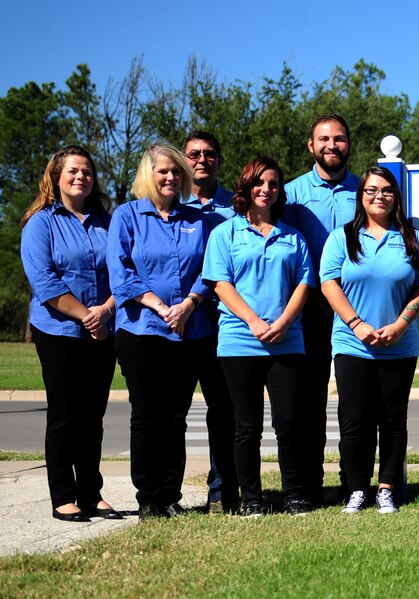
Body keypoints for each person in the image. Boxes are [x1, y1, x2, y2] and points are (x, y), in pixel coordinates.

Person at [320, 166, 419, 515]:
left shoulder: (412, 238)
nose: (379, 196)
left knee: (392, 420)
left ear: (395, 197)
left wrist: (401, 325)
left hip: (399, 345)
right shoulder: (342, 237)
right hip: (352, 343)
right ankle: (357, 489)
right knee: (354, 420)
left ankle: (386, 490)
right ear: (361, 196)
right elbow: (329, 284)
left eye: (386, 190)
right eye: (371, 190)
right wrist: (356, 324)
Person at [203, 156, 315, 517]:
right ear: (246, 186)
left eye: (273, 184)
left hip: (287, 340)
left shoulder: (293, 236)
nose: (266, 189)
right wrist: (253, 321)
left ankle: (294, 495)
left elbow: (303, 284)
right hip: (240, 341)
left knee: (289, 422)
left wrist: (283, 322)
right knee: (246, 426)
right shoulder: (225, 233)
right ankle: (251, 498)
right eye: (259, 183)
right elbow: (221, 284)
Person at [107, 143, 214, 521]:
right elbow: (120, 272)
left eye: (176, 171)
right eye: (163, 171)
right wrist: (159, 305)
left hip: (189, 331)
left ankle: (170, 495)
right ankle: (148, 498)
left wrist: (189, 304)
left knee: (175, 417)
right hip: (141, 332)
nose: (170, 177)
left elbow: (210, 268)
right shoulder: (127, 216)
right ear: (148, 175)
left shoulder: (198, 219)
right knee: (147, 415)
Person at [20, 146, 121, 522]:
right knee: (64, 414)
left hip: (103, 330)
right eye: (73, 171)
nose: (81, 177)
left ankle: (91, 493)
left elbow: (125, 272)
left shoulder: (109, 222)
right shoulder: (40, 223)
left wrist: (105, 311)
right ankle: (63, 495)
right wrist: (86, 316)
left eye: (87, 172)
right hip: (58, 330)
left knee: (93, 417)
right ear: (56, 177)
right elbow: (44, 281)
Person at [283, 113, 359, 506]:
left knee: (355, 401)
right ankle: (310, 486)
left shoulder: (366, 191)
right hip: (309, 308)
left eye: (339, 139)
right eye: (324, 139)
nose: (332, 145)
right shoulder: (291, 193)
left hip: (355, 308)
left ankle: (353, 483)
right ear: (311, 145)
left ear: (349, 144)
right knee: (308, 401)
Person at [181, 130, 238, 513]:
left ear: (219, 160)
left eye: (209, 154)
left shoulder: (236, 206)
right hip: (179, 324)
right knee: (173, 413)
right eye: (194, 154)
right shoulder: (168, 201)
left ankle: (222, 491)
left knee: (224, 411)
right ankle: (166, 493)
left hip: (224, 323)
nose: (202, 160)